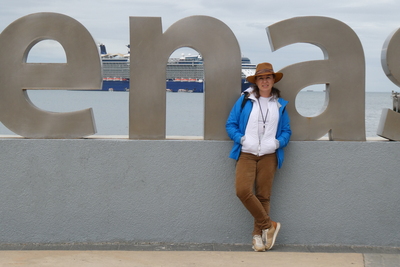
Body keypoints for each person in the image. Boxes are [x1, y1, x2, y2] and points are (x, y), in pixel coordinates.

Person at [226, 62, 291, 252]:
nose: (264, 81)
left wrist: (277, 143)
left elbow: (287, 131)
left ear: (273, 81)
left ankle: (258, 237)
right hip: (246, 153)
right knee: (242, 191)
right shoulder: (245, 100)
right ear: (256, 81)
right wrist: (242, 140)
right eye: (261, 78)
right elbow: (231, 125)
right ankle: (269, 226)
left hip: (269, 155)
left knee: (264, 196)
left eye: (268, 77)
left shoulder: (279, 104)